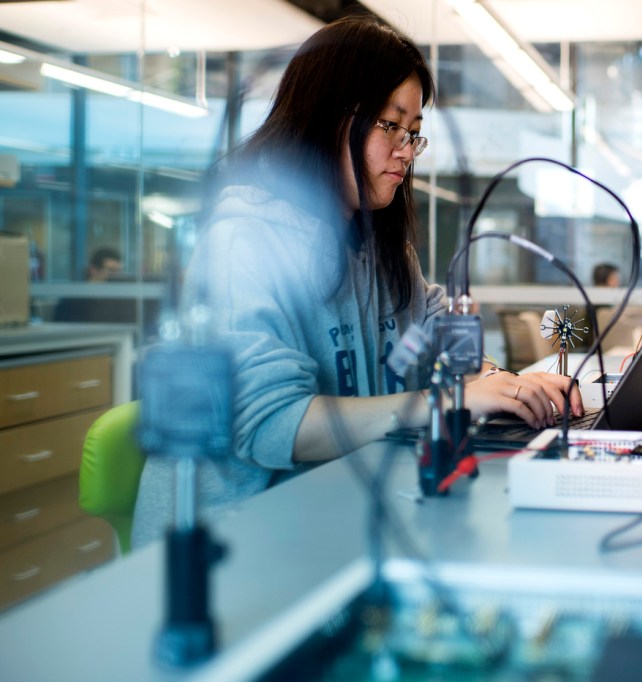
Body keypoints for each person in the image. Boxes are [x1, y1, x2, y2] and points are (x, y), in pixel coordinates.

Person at [131, 16, 583, 547]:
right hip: (234, 547)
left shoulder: (373, 244)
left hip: (335, 515)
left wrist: (503, 382)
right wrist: (449, 401)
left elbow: (428, 332)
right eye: (391, 126)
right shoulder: (243, 244)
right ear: (326, 118)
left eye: (414, 132)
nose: (407, 152)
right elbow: (274, 424)